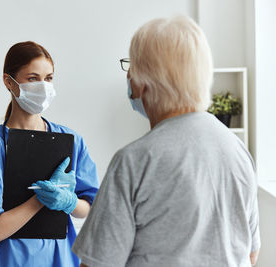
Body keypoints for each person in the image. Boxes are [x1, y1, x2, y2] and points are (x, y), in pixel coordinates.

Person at [72, 16, 260, 267]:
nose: (128, 75)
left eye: (132, 65)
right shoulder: (236, 149)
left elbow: (99, 264)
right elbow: (250, 253)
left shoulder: (135, 160)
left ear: (144, 80)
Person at [0, 41, 99, 267]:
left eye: (48, 78)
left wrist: (68, 202)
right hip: (10, 260)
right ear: (9, 82)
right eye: (32, 78)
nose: (43, 86)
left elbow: (88, 207)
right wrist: (40, 198)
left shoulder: (70, 141)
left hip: (60, 258)